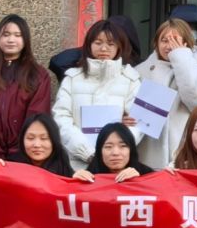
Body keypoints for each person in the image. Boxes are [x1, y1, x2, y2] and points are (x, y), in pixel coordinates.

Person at [52, 19, 143, 171]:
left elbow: (138, 124)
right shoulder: (72, 79)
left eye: (111, 44)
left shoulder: (131, 80)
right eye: (98, 42)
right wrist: (86, 152)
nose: (104, 48)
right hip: (77, 164)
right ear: (89, 45)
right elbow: (61, 118)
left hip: (117, 165)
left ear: (119, 46)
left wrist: (116, 151)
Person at [135, 17, 197, 169]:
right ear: (156, 43)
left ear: (187, 42)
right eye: (164, 40)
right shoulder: (140, 71)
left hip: (186, 151)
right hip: (148, 153)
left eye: (175, 40)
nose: (169, 45)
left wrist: (181, 56)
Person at [0, 14, 54, 159]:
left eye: (17, 35)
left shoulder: (38, 75)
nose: (11, 40)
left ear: (25, 39)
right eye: (6, 35)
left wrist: (21, 150)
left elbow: (37, 115)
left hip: (25, 154)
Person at [75, 122, 152, 182]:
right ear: (99, 151)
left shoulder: (149, 176)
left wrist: (140, 181)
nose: (115, 153)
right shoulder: (89, 177)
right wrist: (75, 182)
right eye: (108, 147)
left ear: (131, 150)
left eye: (122, 146)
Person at [8, 113, 76, 176]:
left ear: (54, 140)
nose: (37, 145)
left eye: (44, 138)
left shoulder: (63, 167)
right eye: (30, 138)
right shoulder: (12, 166)